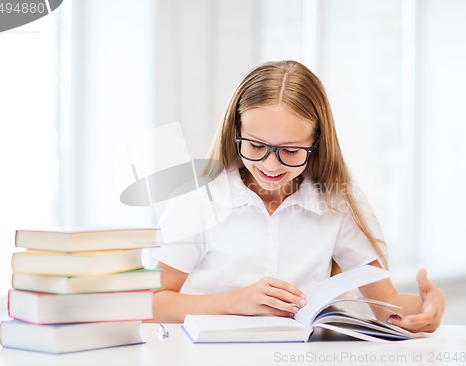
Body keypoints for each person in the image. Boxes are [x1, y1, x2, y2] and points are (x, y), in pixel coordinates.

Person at [151, 60, 445, 332]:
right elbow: (152, 303)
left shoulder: (337, 202)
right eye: (255, 146)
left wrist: (428, 307)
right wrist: (236, 302)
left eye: (290, 151)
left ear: (316, 143)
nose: (270, 165)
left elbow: (386, 304)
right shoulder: (200, 198)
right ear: (235, 132)